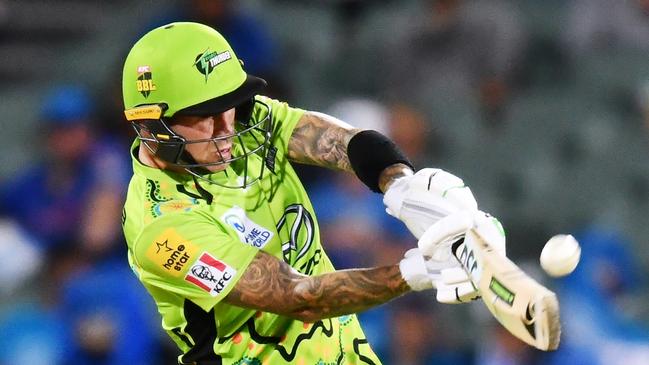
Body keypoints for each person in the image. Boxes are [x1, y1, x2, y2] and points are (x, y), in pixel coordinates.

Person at [120, 22, 505, 364]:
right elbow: (296, 296)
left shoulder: (247, 122)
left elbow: (339, 140)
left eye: (231, 107)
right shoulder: (162, 228)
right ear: (151, 125)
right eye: (206, 116)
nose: (228, 130)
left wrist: (404, 186)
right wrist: (420, 270)